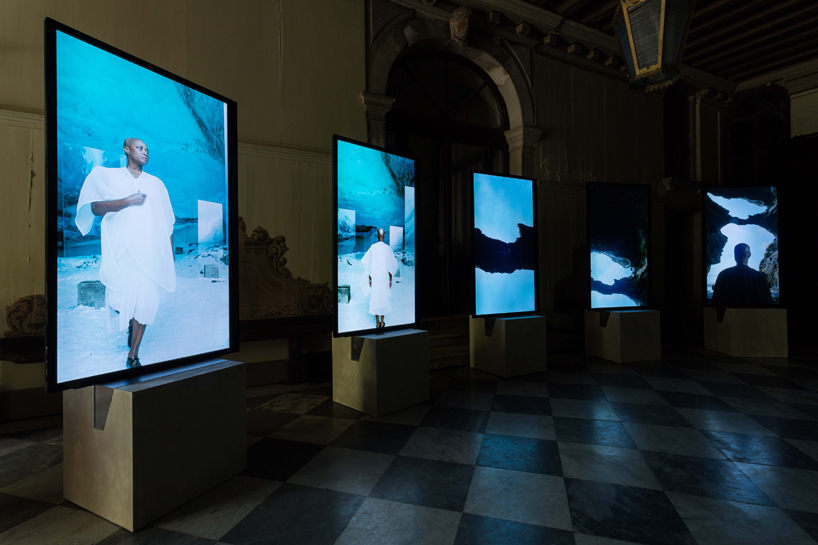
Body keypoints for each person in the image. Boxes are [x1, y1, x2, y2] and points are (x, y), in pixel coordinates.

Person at [75, 138, 176, 368]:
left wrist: (169, 254)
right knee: (121, 299)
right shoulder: (110, 177)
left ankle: (134, 353)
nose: (145, 153)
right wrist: (126, 201)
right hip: (123, 251)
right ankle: (131, 321)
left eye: (148, 150)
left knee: (147, 300)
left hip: (149, 252)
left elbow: (167, 221)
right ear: (126, 149)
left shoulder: (156, 184)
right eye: (140, 148)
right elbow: (94, 207)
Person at [712, 243, 773, 307]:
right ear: (749, 255)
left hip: (730, 316)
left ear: (735, 255)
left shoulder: (723, 275)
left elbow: (715, 302)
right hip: (754, 315)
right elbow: (768, 303)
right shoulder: (759, 277)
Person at [360, 228, 398, 329]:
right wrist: (390, 279)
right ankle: (382, 322)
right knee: (383, 297)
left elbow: (369, 265)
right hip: (384, 277)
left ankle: (377, 322)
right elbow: (391, 266)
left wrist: (370, 278)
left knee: (376, 297)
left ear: (377, 235)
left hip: (376, 276)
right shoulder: (387, 248)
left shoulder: (373, 247)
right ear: (384, 235)